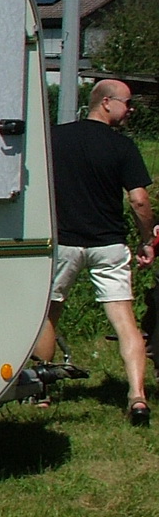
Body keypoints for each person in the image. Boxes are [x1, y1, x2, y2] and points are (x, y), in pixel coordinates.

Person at [32, 79, 155, 426]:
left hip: (64, 242)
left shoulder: (53, 139)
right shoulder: (122, 147)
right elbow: (139, 199)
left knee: (49, 314)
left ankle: (42, 391)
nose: (130, 110)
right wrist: (147, 239)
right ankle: (137, 396)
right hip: (109, 245)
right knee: (124, 320)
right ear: (105, 103)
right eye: (127, 103)